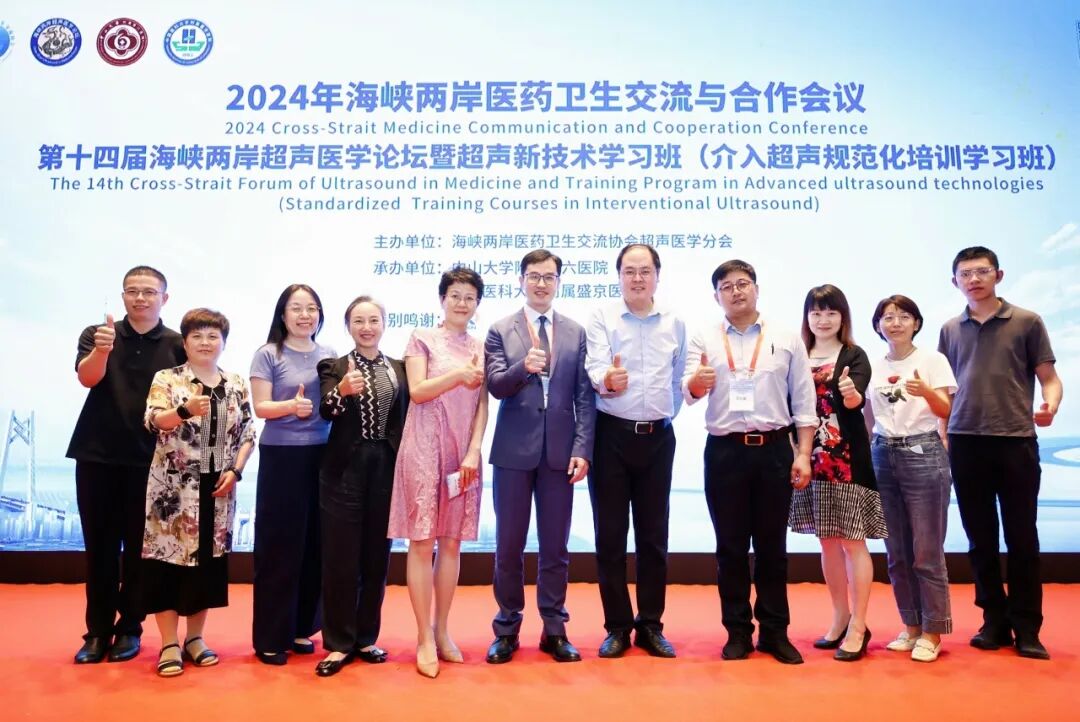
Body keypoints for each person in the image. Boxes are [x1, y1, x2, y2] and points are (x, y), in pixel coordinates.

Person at [682, 259, 816, 665]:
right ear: (716, 296)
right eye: (727, 286)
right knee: (731, 548)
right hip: (725, 452)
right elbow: (688, 393)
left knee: (773, 547)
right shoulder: (704, 337)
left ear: (756, 288)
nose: (736, 291)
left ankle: (775, 632)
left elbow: (804, 400)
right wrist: (697, 383)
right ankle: (737, 632)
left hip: (774, 449)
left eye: (742, 283)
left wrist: (803, 453)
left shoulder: (786, 337)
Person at [939, 246, 1062, 660]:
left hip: (1015, 440)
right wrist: (943, 432)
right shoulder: (950, 329)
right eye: (965, 274)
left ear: (999, 275)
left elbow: (1049, 377)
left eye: (982, 271)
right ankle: (993, 621)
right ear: (954, 281)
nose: (973, 280)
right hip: (965, 441)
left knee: (1022, 537)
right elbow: (945, 390)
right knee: (980, 539)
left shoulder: (1027, 321)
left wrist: (1050, 405)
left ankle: (1027, 627)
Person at [67, 265, 185, 664]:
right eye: (132, 291)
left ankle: (130, 629)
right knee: (99, 550)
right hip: (97, 456)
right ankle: (97, 632)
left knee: (139, 552)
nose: (140, 298)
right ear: (122, 297)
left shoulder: (177, 344)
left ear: (164, 298)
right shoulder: (99, 334)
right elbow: (87, 379)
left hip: (152, 462)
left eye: (149, 292)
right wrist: (101, 351)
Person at [484, 250, 596, 664]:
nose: (541, 284)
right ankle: (507, 628)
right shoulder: (500, 329)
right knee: (508, 546)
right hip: (513, 451)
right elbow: (496, 385)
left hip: (560, 454)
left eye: (549, 277)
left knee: (555, 547)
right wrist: (523, 367)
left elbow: (584, 397)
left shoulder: (575, 332)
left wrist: (582, 449)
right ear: (521, 280)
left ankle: (554, 628)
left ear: (559, 282)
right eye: (534, 276)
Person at [585, 243, 687, 659]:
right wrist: (608, 380)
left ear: (657, 276)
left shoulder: (675, 322)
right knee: (610, 536)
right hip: (611, 435)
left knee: (653, 536)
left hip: (658, 438)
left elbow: (679, 379)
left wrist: (662, 415)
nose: (638, 278)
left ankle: (650, 625)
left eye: (645, 271)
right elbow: (594, 368)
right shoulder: (602, 317)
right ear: (619, 276)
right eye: (630, 271)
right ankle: (617, 627)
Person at [142, 308, 256, 677]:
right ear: (185, 342)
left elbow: (248, 433)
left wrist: (236, 471)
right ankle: (168, 643)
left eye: (213, 336)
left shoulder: (235, 382)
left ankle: (195, 638)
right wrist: (184, 410)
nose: (205, 343)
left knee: (207, 566)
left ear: (223, 342)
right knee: (167, 565)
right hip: (173, 491)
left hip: (218, 488)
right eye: (197, 336)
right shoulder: (168, 378)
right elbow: (153, 421)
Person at [387, 267, 489, 678]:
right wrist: (458, 376)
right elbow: (418, 391)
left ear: (477, 304)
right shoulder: (421, 338)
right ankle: (422, 637)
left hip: (462, 454)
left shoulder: (481, 347)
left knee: (451, 543)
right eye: (455, 295)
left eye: (469, 297)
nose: (462, 303)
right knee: (421, 540)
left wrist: (474, 451)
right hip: (423, 448)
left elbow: (482, 405)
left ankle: (442, 630)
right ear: (442, 299)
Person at [788, 285, 887, 662]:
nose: (823, 319)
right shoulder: (798, 354)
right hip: (808, 458)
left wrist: (849, 393)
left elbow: (855, 399)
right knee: (827, 541)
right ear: (807, 317)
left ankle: (859, 624)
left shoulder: (854, 355)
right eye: (816, 312)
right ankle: (840, 617)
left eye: (831, 312)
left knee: (852, 541)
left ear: (843, 317)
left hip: (846, 458)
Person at [313, 296, 410, 677]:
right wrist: (342, 390)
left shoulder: (400, 368)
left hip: (386, 466)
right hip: (344, 468)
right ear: (348, 326)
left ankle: (367, 637)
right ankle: (339, 643)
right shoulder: (334, 367)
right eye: (358, 321)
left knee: (376, 556)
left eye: (373, 320)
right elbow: (326, 410)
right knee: (340, 559)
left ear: (384, 324)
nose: (366, 327)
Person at [866, 294, 956, 663]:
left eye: (904, 316)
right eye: (888, 317)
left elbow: (945, 409)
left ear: (916, 323)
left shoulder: (932, 360)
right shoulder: (872, 365)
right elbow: (868, 415)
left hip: (923, 451)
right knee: (897, 553)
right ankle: (912, 626)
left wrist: (926, 392)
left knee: (927, 552)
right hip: (882, 454)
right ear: (878, 326)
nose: (896, 323)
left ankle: (933, 631)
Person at [249, 284, 335, 665]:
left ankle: (301, 628)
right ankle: (271, 636)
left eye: (311, 308)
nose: (304, 315)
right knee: (279, 546)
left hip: (324, 454)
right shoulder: (268, 354)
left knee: (315, 544)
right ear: (282, 315)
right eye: (296, 308)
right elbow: (261, 407)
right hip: (282, 457)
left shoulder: (329, 354)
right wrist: (290, 407)